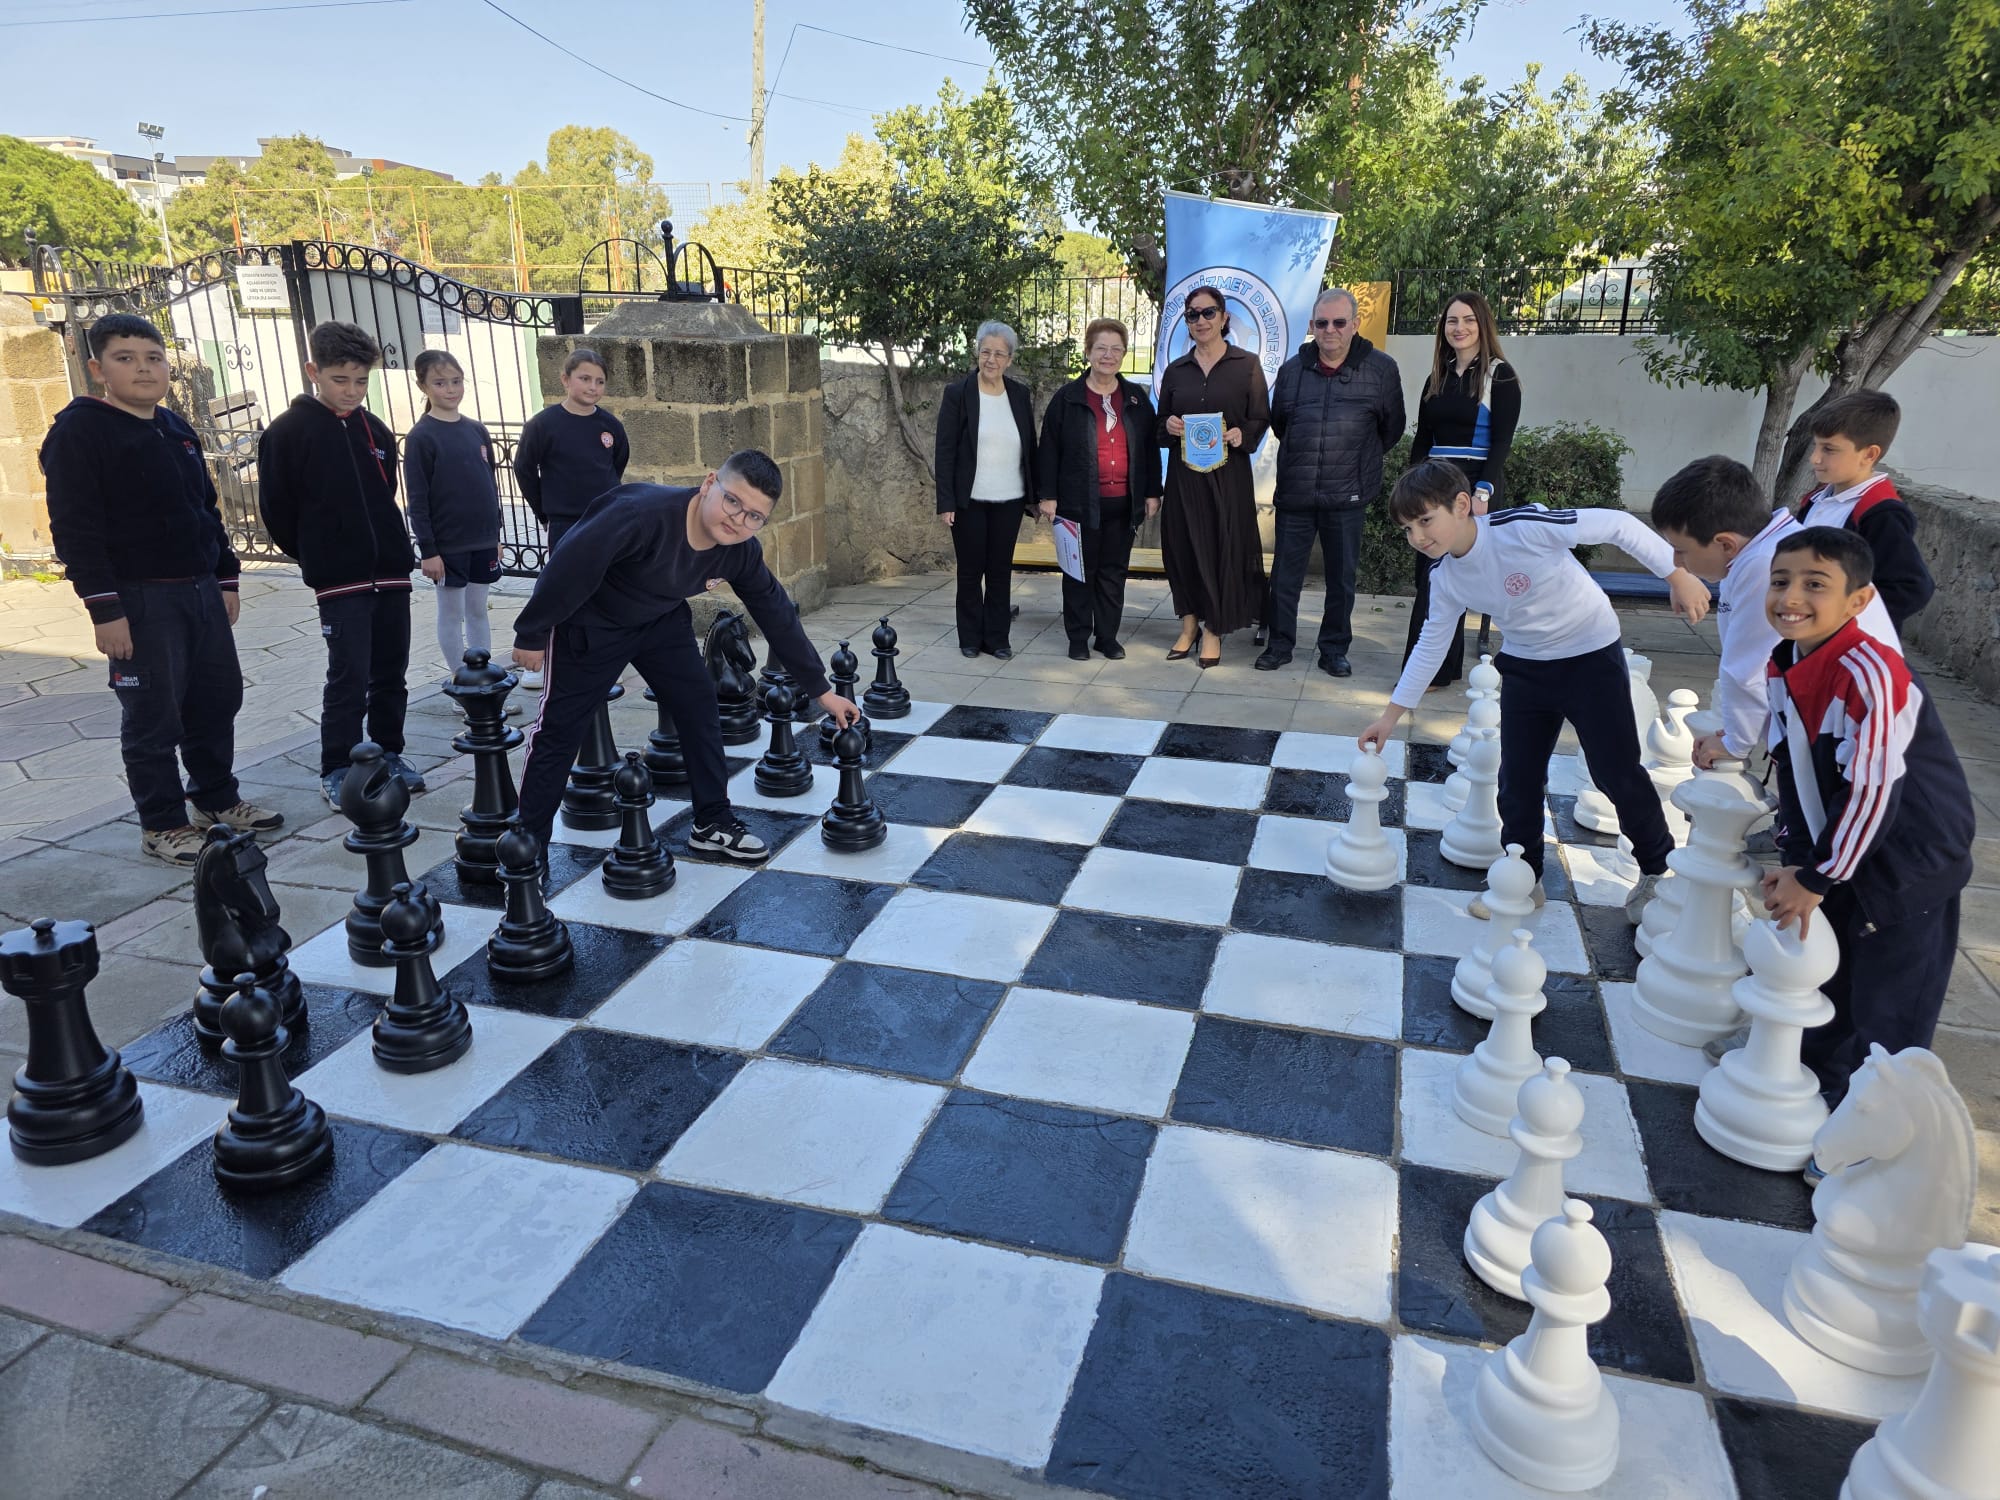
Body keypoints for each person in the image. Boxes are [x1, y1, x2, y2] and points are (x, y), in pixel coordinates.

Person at [1359, 459, 1710, 920]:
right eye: (1408, 528)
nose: (1419, 537)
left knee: (1615, 773)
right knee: (1517, 780)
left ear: (1462, 505)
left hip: (1591, 656)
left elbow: (1619, 525)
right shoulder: (1445, 577)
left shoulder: (1522, 527)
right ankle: (1524, 880)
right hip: (1527, 666)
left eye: (1426, 520)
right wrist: (1390, 716)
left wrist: (1676, 574)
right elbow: (1431, 643)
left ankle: (1657, 871)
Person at [509, 450, 858, 863]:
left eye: (754, 516)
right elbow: (569, 565)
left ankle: (712, 823)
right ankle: (527, 847)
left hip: (659, 620)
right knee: (560, 731)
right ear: (710, 483)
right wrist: (532, 632)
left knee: (699, 706)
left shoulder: (739, 550)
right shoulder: (639, 515)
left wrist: (821, 690)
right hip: (593, 623)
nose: (738, 519)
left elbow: (775, 611)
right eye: (733, 501)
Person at [40, 313, 282, 866]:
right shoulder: (80, 433)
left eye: (153, 358)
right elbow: (75, 528)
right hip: (140, 599)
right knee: (153, 714)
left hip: (199, 592)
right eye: (126, 359)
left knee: (216, 701)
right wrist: (105, 610)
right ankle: (163, 823)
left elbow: (205, 509)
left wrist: (224, 577)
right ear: (99, 369)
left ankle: (216, 800)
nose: (144, 369)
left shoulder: (175, 428)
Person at [1758, 526, 1973, 1118]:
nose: (1790, 596)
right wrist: (1799, 859)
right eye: (1780, 581)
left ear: (1858, 601)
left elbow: (1874, 792)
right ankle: (1822, 1084)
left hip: (1909, 863)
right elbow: (1796, 771)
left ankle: (1883, 1134)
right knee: (1836, 980)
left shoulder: (1872, 675)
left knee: (1892, 1009)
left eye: (1814, 584)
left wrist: (1818, 875)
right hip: (1848, 850)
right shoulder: (1786, 664)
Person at [258, 320, 422, 808]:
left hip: (389, 572)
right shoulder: (288, 433)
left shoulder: (375, 430)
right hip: (340, 579)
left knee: (391, 671)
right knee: (349, 674)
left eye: (360, 381)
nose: (351, 391)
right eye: (339, 380)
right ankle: (338, 766)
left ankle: (388, 753)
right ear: (314, 372)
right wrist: (320, 553)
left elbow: (384, 492)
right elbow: (277, 510)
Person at [1650, 454, 1897, 771]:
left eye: (1681, 550)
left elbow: (1747, 668)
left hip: (1851, 735)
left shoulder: (1764, 565)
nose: (1675, 562)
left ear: (1726, 544)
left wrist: (1734, 742)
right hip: (1839, 722)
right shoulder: (1769, 548)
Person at [1260, 287, 1406, 677]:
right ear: (1311, 326)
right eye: (1322, 323)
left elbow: (1391, 428)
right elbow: (1281, 423)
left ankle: (1334, 649)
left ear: (1355, 325)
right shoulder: (1291, 371)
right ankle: (1279, 645)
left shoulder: (1381, 369)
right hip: (1296, 492)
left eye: (1339, 322)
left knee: (1341, 581)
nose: (1330, 330)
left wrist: (1357, 461)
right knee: (1285, 578)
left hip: (1348, 493)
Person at [1400, 292, 1522, 691]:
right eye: (1452, 321)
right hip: (1433, 482)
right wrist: (1412, 485)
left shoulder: (1500, 376)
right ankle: (1434, 668)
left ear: (1482, 324)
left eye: (1468, 320)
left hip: (1472, 486)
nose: (1459, 328)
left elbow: (1501, 442)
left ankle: (1520, 659)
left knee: (1470, 577)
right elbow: (1422, 439)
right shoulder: (1437, 375)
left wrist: (1483, 490)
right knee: (1432, 576)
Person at [1156, 285, 1270, 668]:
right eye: (1192, 315)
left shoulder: (1247, 365)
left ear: (1224, 318)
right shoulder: (1176, 371)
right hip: (1185, 479)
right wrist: (1168, 425)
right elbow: (1159, 427)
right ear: (1186, 323)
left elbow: (1260, 418)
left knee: (1222, 549)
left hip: (1228, 478)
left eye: (1208, 313)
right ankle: (1188, 626)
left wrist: (1242, 434)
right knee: (1183, 549)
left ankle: (1213, 630)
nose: (1200, 320)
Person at [1035, 317, 1161, 661]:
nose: (1108, 355)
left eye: (1116, 349)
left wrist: (1152, 491)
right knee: (1078, 572)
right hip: (1078, 503)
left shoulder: (1135, 397)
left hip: (1124, 503)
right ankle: (1078, 637)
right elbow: (1049, 448)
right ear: (1089, 352)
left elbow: (1149, 448)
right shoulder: (1068, 398)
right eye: (1101, 348)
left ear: (1123, 354)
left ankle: (1107, 637)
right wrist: (1047, 495)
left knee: (1112, 573)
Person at [513, 347, 629, 688]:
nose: (592, 387)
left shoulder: (610, 426)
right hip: (565, 522)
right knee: (562, 589)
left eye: (599, 381)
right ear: (566, 379)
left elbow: (616, 465)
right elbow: (524, 469)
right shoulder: (544, 424)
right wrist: (545, 511)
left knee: (606, 588)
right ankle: (553, 659)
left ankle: (605, 660)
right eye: (584, 378)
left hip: (605, 521)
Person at [934, 321, 1037, 659]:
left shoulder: (1020, 395)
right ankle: (969, 637)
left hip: (1009, 499)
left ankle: (997, 638)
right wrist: (946, 501)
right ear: (977, 353)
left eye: (999, 354)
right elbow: (945, 449)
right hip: (970, 502)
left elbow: (1030, 447)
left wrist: (1035, 497)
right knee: (969, 571)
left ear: (1009, 359)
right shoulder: (959, 393)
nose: (991, 359)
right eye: (985, 352)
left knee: (999, 571)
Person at [1794, 389, 1934, 629]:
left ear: (1869, 454)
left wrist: (1846, 621)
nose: (1814, 458)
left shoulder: (1881, 513)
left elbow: (1911, 587)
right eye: (1816, 447)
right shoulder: (1816, 499)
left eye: (1829, 449)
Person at [405, 350, 502, 685]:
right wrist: (428, 550)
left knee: (478, 610)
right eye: (440, 382)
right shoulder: (421, 437)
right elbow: (417, 499)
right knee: (452, 612)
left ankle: (484, 680)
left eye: (456, 381)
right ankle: (463, 681)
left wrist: (497, 534)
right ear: (423, 385)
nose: (450, 389)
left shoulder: (476, 431)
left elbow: (490, 483)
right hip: (448, 545)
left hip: (483, 539)